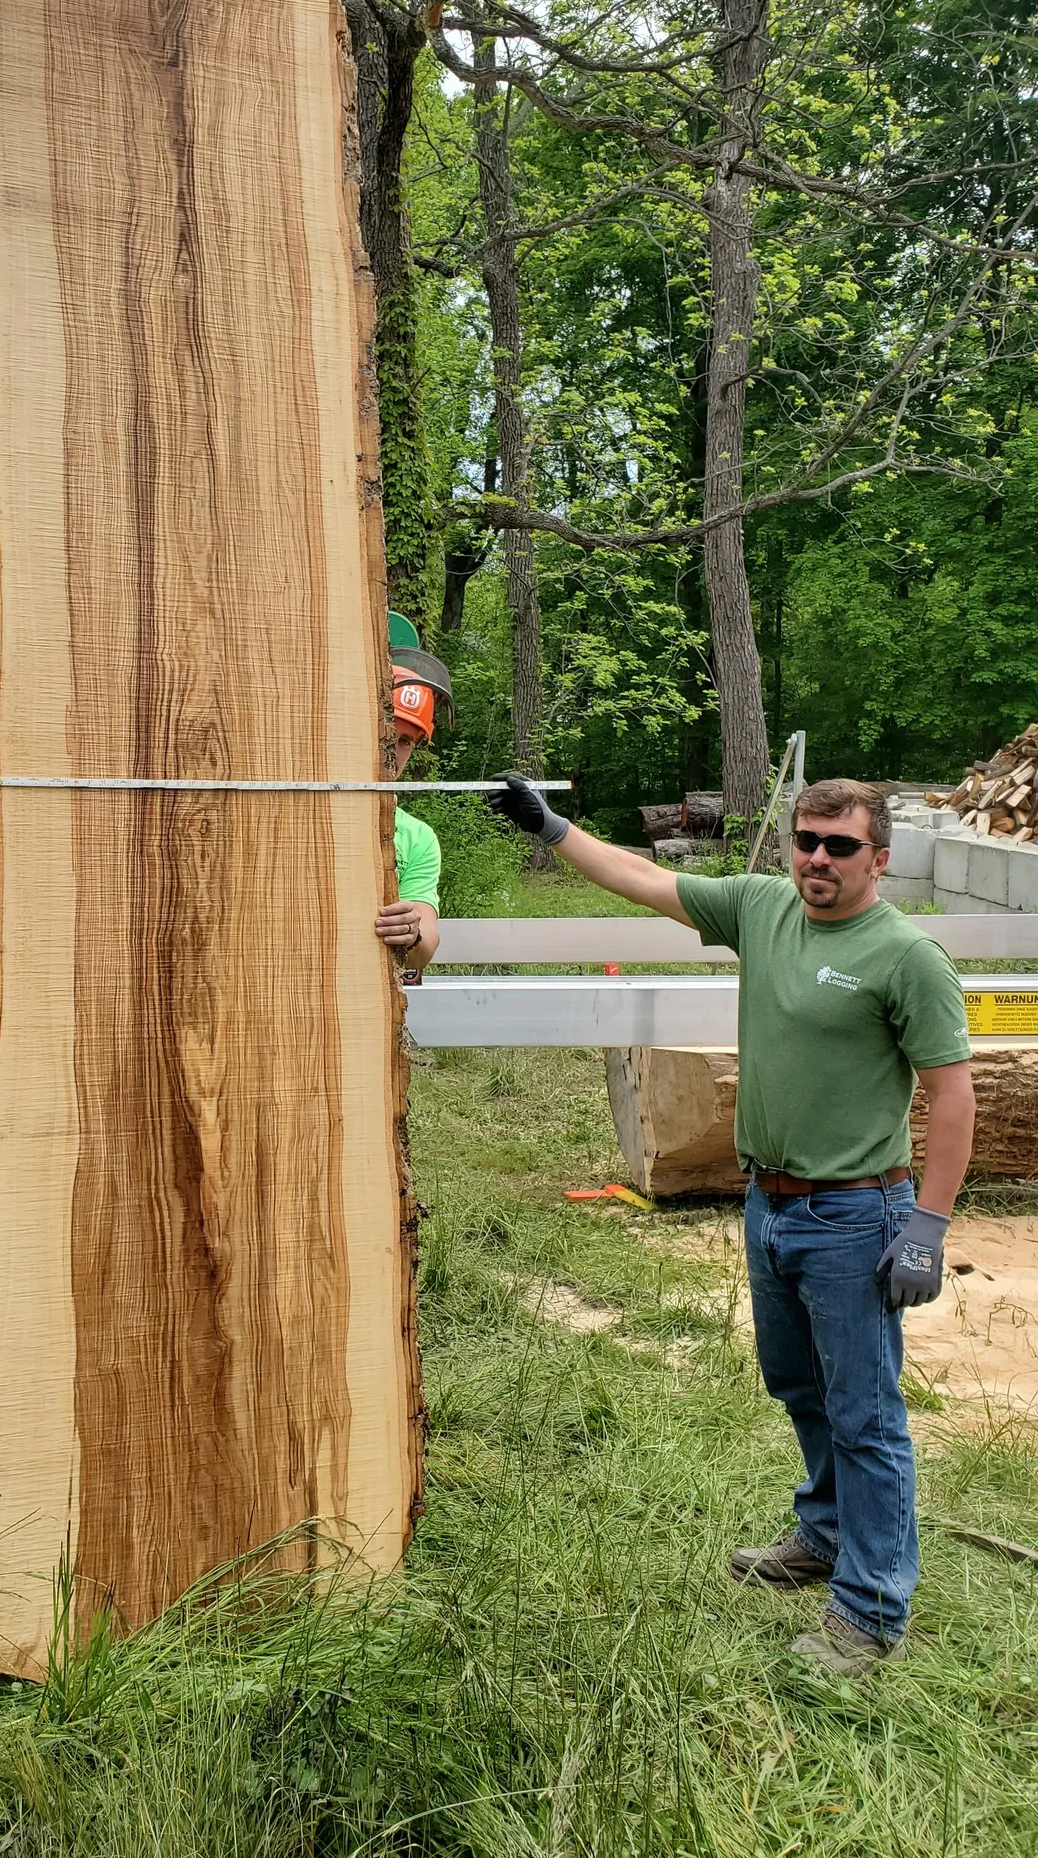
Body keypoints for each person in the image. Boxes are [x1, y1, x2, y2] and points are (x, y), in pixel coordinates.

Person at [488, 772, 976, 1676]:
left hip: (856, 1214)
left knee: (866, 1416)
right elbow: (642, 879)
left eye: (839, 846)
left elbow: (953, 1096)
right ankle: (824, 1537)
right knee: (800, 1388)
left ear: (880, 857)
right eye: (806, 840)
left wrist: (929, 1227)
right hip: (770, 1204)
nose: (817, 860)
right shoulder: (762, 907)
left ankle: (869, 1611)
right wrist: (552, 826)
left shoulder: (907, 956)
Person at [373, 617, 448, 974]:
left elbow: (424, 948)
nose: (393, 749)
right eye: (387, 730)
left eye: (406, 741)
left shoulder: (417, 838)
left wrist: (412, 933)